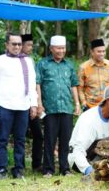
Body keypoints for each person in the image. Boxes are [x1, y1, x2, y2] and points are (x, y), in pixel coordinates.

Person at [0, 32, 38, 179]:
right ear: (7, 45)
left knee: (20, 139)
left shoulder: (28, 61)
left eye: (19, 44)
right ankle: (1, 169)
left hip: (23, 106)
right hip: (4, 105)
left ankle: (18, 169)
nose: (17, 47)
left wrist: (33, 104)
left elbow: (32, 84)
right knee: (2, 138)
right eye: (14, 44)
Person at [36, 35, 80, 178]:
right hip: (49, 108)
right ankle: (48, 169)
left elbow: (74, 85)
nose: (61, 51)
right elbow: (38, 84)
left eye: (63, 48)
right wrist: (39, 104)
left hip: (66, 107)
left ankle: (65, 168)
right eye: (58, 48)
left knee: (66, 139)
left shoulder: (69, 64)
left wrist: (77, 104)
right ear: (51, 49)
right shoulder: (43, 64)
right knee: (50, 139)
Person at [68, 84, 109, 178]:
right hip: (79, 160)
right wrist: (88, 170)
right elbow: (78, 150)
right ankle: (96, 166)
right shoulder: (89, 118)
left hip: (101, 150)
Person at [21, 34, 43, 172]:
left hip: (32, 103)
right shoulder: (9, 60)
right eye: (28, 45)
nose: (31, 48)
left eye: (31, 45)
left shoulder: (30, 61)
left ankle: (36, 165)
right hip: (18, 105)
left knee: (38, 135)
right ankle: (20, 165)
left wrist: (36, 103)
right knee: (20, 136)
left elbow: (34, 84)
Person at [78, 38, 109, 111]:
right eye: (99, 51)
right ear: (92, 52)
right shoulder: (83, 67)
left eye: (103, 51)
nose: (102, 54)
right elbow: (80, 88)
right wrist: (84, 103)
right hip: (90, 107)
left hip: (107, 106)